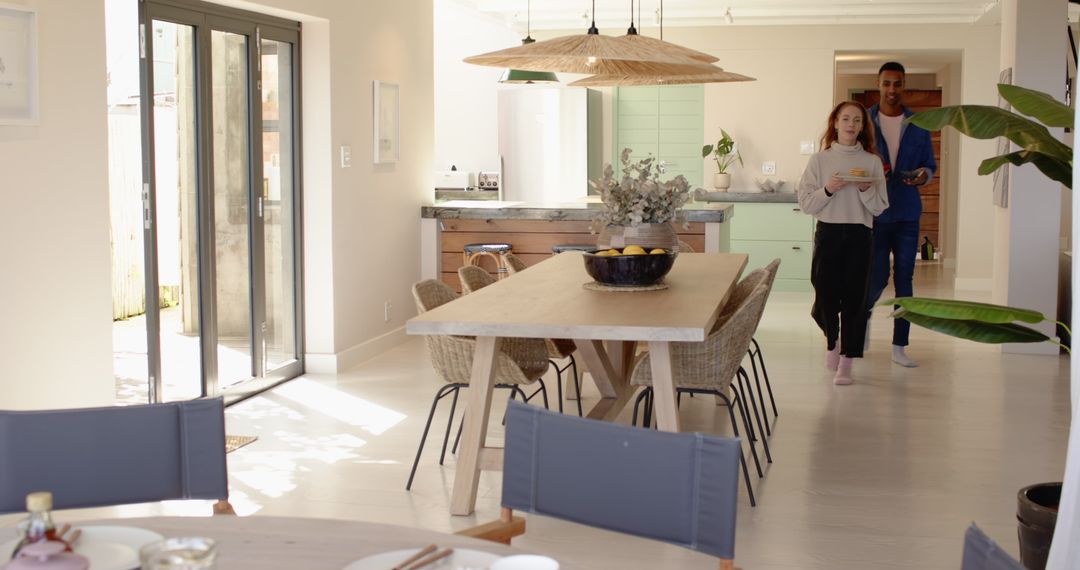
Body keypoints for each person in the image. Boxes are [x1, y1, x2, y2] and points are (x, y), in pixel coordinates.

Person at [798, 101, 889, 385]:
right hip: (828, 233)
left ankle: (847, 360)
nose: (851, 124)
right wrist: (828, 189)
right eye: (846, 119)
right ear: (835, 123)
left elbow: (880, 207)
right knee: (824, 296)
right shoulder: (819, 161)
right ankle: (832, 342)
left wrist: (865, 190)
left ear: (863, 127)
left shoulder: (872, 162)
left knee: (855, 300)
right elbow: (806, 204)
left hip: (860, 235)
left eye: (857, 120)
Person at [865, 61, 937, 368]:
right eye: (887, 83)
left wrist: (923, 175)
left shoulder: (918, 123)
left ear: (904, 85)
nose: (892, 89)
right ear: (879, 84)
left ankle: (900, 346)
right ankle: (861, 329)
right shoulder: (866, 121)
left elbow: (930, 165)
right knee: (876, 278)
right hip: (876, 212)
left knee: (905, 279)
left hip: (908, 212)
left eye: (897, 83)